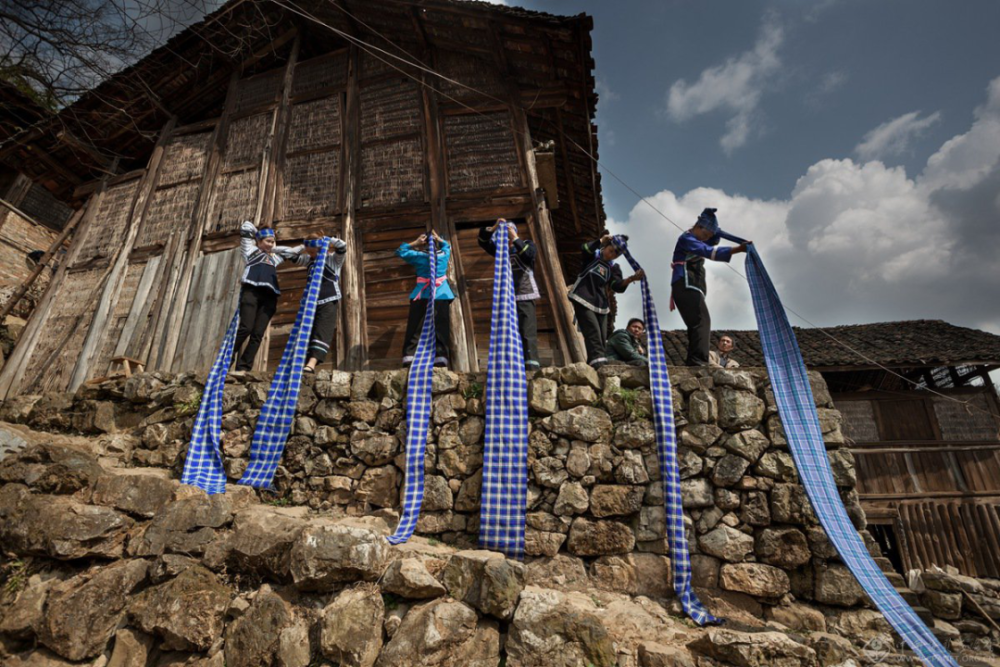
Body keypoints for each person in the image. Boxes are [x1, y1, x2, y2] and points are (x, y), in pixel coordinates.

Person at [671, 208, 749, 367]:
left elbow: (712, 241)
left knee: (696, 323)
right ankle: (699, 360)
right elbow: (708, 250)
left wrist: (717, 233)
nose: (706, 238)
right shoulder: (687, 239)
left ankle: (694, 360)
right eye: (705, 235)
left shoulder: (699, 239)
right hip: (684, 283)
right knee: (702, 320)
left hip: (691, 285)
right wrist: (739, 249)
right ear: (698, 227)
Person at [233, 220, 304, 371]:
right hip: (252, 292)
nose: (272, 244)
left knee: (258, 334)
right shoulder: (250, 252)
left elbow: (291, 252)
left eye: (273, 242)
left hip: (269, 297)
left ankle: (244, 367)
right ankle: (228, 355)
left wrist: (305, 245)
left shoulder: (274, 258)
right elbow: (246, 226)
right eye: (268, 241)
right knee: (246, 327)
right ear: (258, 241)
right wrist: (259, 232)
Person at [567, 233, 644, 368]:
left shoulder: (614, 267)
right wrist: (601, 240)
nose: (611, 255)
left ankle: (594, 364)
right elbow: (585, 248)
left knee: (602, 338)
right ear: (606, 246)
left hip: (600, 304)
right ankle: (599, 366)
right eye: (611, 250)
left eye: (616, 254)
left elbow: (616, 286)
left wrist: (631, 278)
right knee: (593, 333)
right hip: (582, 297)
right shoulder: (592, 256)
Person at [478, 219, 540, 370]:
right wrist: (493, 228)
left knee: (527, 330)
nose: (506, 239)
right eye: (503, 236)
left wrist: (514, 237)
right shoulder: (500, 251)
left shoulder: (526, 244)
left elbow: (529, 256)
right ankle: (512, 366)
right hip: (506, 298)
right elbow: (483, 241)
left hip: (525, 294)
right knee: (508, 332)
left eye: (508, 235)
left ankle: (531, 365)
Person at [397, 229, 454, 368]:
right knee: (440, 326)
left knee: (416, 326)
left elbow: (400, 251)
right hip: (441, 294)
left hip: (422, 294)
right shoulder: (444, 255)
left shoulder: (418, 256)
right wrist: (440, 240)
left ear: (424, 245)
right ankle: (440, 357)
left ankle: (409, 355)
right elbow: (447, 247)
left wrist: (415, 242)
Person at [298, 232, 348, 373]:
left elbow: (342, 245)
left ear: (322, 248)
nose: (311, 255)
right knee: (308, 330)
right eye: (309, 252)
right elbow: (290, 255)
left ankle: (312, 363)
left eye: (313, 252)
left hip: (328, 299)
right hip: (310, 302)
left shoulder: (333, 260)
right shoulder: (309, 261)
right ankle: (302, 362)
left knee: (322, 330)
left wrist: (325, 241)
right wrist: (304, 246)